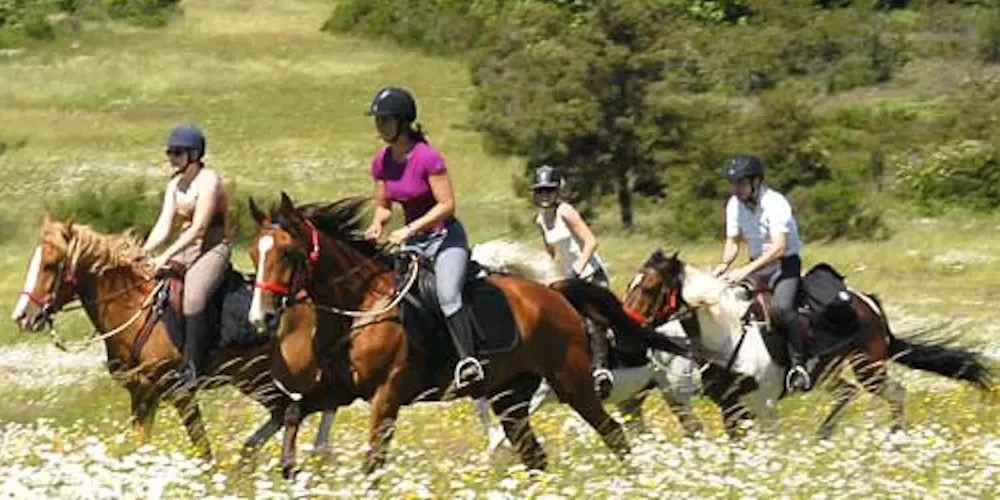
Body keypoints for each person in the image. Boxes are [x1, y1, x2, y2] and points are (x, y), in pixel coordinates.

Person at [361, 86, 484, 390]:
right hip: (414, 244)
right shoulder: (381, 161)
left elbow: (447, 205)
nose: (380, 126)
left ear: (403, 122)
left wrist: (410, 228)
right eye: (378, 120)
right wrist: (377, 223)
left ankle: (469, 361)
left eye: (385, 120)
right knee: (393, 297)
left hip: (445, 239)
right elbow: (383, 205)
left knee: (447, 295)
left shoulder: (427, 157)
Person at [142, 123, 231, 393]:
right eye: (170, 153)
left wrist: (166, 254)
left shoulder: (209, 180)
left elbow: (199, 228)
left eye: (177, 153)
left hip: (213, 246)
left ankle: (193, 367)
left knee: (193, 297)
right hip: (186, 246)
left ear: (194, 154)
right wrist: (143, 253)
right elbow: (164, 226)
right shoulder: (175, 185)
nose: (172, 158)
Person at [711, 154, 811, 392]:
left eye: (740, 183)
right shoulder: (734, 205)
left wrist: (745, 270)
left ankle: (799, 366)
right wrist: (724, 264)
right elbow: (733, 241)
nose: (735, 188)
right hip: (757, 265)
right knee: (730, 304)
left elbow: (779, 247)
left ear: (756, 182)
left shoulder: (775, 203)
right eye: (733, 183)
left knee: (783, 308)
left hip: (784, 264)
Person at [531, 165, 614, 398]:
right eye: (540, 191)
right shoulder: (540, 220)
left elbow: (591, 241)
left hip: (590, 274)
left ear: (558, 190)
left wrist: (578, 268)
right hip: (569, 278)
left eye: (549, 190)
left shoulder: (566, 211)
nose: (544, 195)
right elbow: (551, 252)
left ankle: (601, 369)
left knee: (592, 317)